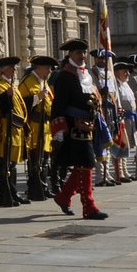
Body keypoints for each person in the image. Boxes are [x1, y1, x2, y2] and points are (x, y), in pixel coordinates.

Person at [49, 38, 107, 220]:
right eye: (78, 53)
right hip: (74, 126)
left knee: (84, 165)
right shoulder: (65, 76)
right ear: (70, 55)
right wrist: (59, 132)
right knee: (86, 164)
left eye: (83, 52)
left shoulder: (87, 74)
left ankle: (63, 196)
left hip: (90, 125)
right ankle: (89, 207)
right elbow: (58, 106)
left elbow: (94, 97)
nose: (82, 56)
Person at [0, 57, 28, 207]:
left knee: (11, 164)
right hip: (4, 131)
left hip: (15, 130)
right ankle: (3, 195)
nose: (15, 69)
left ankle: (13, 192)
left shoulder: (11, 85)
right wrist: (7, 96)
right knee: (2, 165)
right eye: (12, 67)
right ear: (4, 69)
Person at [20, 55, 56, 199]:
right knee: (35, 157)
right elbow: (21, 104)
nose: (50, 70)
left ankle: (43, 185)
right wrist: (37, 98)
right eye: (47, 67)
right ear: (38, 67)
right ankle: (35, 187)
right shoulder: (28, 82)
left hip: (45, 126)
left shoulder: (44, 82)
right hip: (34, 125)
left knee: (45, 158)